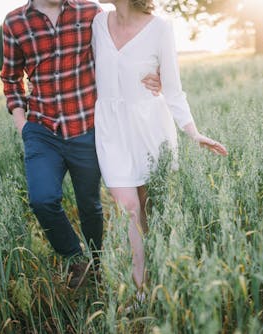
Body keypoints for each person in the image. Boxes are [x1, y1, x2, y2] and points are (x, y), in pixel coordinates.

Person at [0, 0, 160, 289]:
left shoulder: (91, 13)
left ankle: (96, 266)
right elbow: (11, 79)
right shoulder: (14, 22)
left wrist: (154, 75)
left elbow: (119, 53)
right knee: (42, 199)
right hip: (41, 130)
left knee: (90, 205)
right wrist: (23, 124)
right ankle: (76, 257)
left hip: (86, 126)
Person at [92, 0, 228, 293]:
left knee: (151, 210)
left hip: (151, 129)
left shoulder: (161, 29)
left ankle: (165, 279)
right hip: (112, 132)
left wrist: (194, 133)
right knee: (129, 208)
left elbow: (174, 89)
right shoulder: (97, 24)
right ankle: (140, 288)